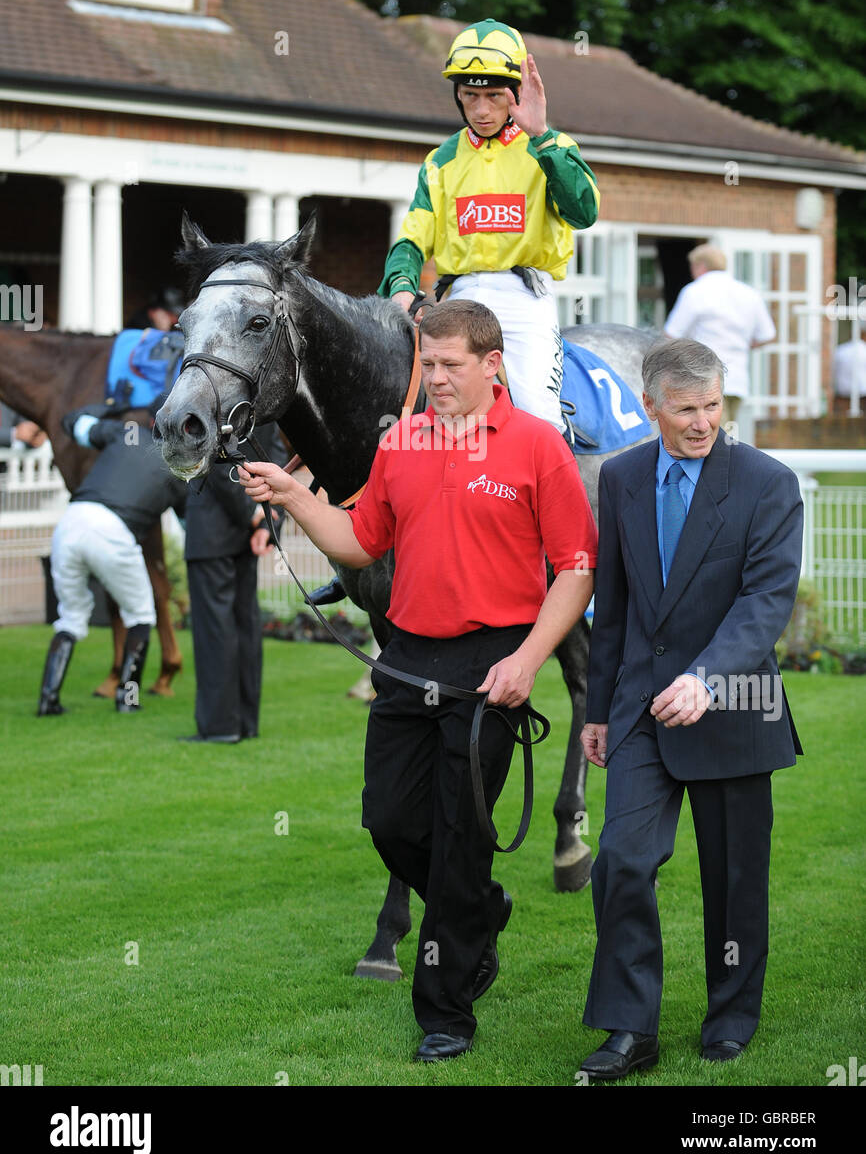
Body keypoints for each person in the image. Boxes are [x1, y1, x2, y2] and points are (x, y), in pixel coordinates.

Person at [238, 300, 597, 1061]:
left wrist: (527, 660)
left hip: (493, 661)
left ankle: (446, 1013)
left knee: (463, 834)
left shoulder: (537, 447)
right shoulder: (401, 441)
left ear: (492, 365)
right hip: (407, 655)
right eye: (426, 364)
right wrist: (295, 496)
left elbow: (575, 568)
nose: (433, 378)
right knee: (391, 821)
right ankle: (478, 912)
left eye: (449, 366)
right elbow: (362, 542)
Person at [578, 337, 803, 1081]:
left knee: (735, 878)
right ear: (651, 408)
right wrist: (600, 711)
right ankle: (628, 1030)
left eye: (712, 406)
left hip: (734, 700)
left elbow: (763, 605)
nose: (702, 422)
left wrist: (706, 679)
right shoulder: (621, 478)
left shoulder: (769, 484)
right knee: (621, 862)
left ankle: (731, 1017)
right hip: (640, 705)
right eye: (685, 410)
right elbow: (611, 606)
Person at [380, 18, 600, 434]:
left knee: (538, 413)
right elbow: (412, 237)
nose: (481, 110)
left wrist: (542, 136)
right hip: (459, 297)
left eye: (494, 96)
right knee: (423, 406)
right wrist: (401, 286)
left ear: (517, 92)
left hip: (524, 297)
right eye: (469, 96)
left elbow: (584, 212)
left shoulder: (552, 146)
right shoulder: (440, 159)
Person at [38, 405, 187, 717]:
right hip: (113, 531)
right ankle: (127, 699)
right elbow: (191, 523)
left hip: (70, 522)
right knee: (142, 616)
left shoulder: (123, 434)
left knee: (71, 618)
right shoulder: (178, 465)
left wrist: (108, 406)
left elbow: (72, 422)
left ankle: (48, 700)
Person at [180, 421, 287, 744]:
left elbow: (212, 460)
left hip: (214, 529)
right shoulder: (259, 401)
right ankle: (245, 722)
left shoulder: (209, 392)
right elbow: (274, 457)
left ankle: (220, 727)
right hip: (248, 528)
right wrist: (267, 520)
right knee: (244, 625)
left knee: (217, 631)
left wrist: (254, 516)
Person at [664, 244, 776, 423]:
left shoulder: (695, 291)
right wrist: (744, 345)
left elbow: (671, 334)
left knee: (708, 438)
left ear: (700, 266)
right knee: (728, 436)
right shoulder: (749, 293)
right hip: (738, 379)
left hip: (703, 379)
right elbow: (767, 335)